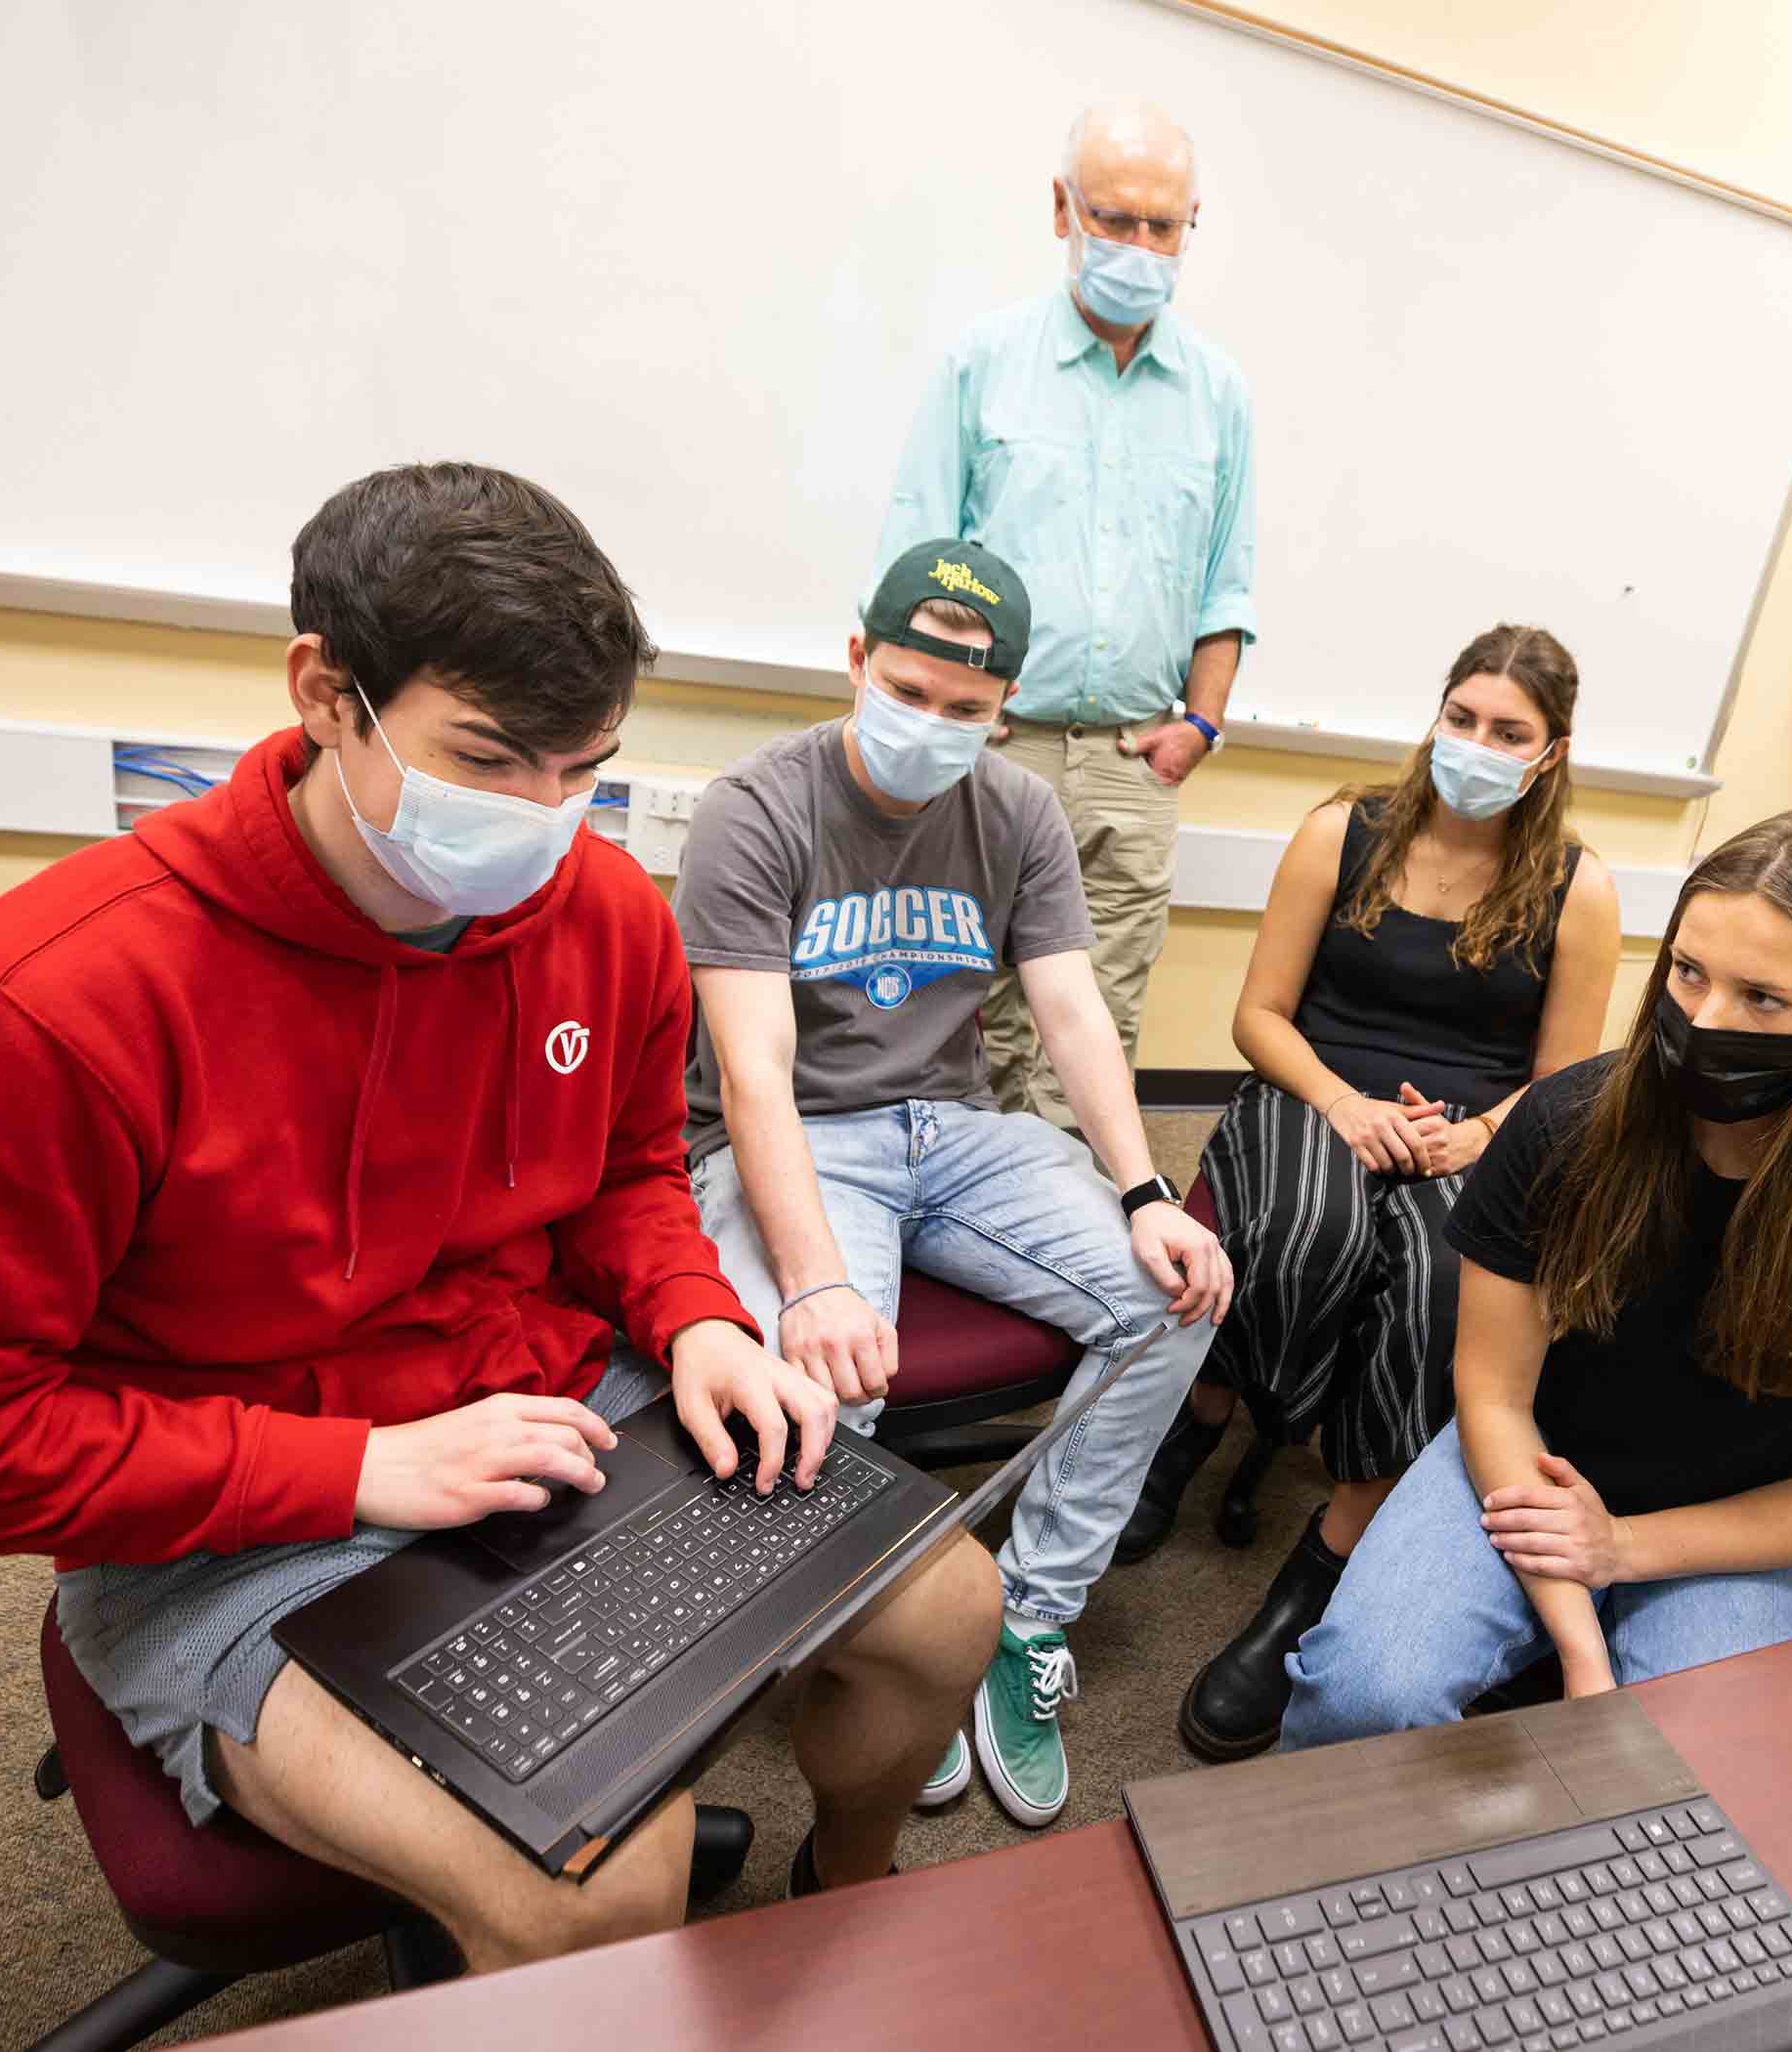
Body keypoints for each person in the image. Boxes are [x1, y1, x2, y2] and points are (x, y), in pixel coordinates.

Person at [0, 465, 1003, 1966]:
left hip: (543, 1399)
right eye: (488, 759)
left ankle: (843, 1915)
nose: (544, 819)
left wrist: (697, 1319)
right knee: (607, 1879)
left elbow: (626, 1174)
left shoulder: (599, 915)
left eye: (584, 769)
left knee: (948, 1610)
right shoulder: (44, 1006)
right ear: (325, 694)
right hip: (223, 1518)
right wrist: (350, 1468)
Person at [677, 536, 1232, 1829]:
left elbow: (1073, 1016)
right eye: (910, 691)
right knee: (817, 1380)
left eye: (967, 711)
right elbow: (751, 1073)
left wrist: (1150, 1193)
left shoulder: (1019, 811)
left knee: (1180, 1296)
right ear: (859, 660)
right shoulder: (756, 806)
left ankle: (1021, 1629)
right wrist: (813, 1281)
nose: (933, 725)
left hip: (950, 1128)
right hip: (801, 1130)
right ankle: (890, 1664)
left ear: (1005, 714)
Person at [1278, 810, 1792, 1744]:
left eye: (1764, 1000)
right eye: (1688, 973)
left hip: (1747, 1520)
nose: (1704, 1022)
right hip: (1532, 1461)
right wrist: (1581, 1645)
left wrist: (1623, 1548)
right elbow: (1494, 1395)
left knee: (1692, 1770)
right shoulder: (1564, 1124)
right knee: (1362, 1699)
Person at [1118, 625, 1622, 1761]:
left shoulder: (1577, 888)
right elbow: (1256, 1018)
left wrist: (1474, 1138)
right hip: (1314, 1097)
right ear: (1434, 717)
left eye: (1508, 733)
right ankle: (1200, 1420)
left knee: (1445, 1294)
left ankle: (1322, 1561)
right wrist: (1345, 1107)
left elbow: (1562, 1083)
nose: (1477, 747)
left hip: (1467, 1143)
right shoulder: (1339, 833)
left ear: (1549, 754)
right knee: (1305, 1236)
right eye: (1462, 719)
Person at [875, 99, 1257, 1129]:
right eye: (1114, 218)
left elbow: (1228, 583)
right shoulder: (984, 364)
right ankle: (961, 1206)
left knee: (1099, 1006)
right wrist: (948, 714)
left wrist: (1200, 726)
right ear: (1062, 211)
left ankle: (1068, 1211)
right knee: (973, 999)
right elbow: (917, 559)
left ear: (1188, 228)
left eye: (1160, 226)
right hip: (999, 743)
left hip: (1137, 762)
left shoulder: (1217, 395)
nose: (1137, 247)